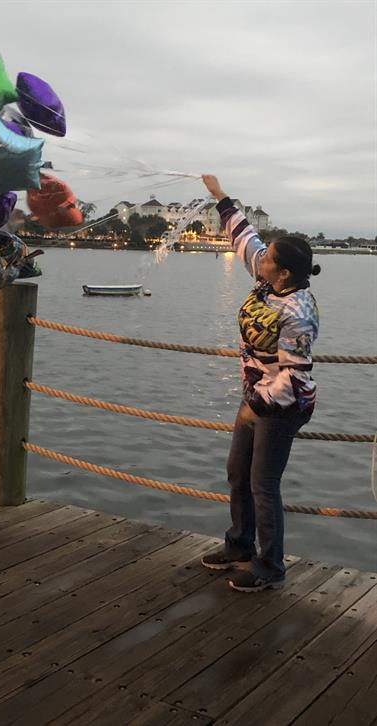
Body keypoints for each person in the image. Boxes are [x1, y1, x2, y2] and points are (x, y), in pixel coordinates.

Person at [200, 175, 321, 592]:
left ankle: (270, 566)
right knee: (237, 474)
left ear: (283, 271)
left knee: (263, 485)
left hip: (282, 406)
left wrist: (259, 404)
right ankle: (239, 546)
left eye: (268, 256)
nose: (259, 257)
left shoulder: (298, 312)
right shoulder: (268, 281)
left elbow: (296, 374)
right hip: (255, 399)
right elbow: (245, 238)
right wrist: (220, 197)